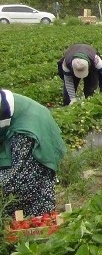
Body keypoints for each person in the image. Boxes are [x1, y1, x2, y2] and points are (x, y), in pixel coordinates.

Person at [0, 88, 67, 217]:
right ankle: (26, 218)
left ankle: (34, 219)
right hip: (15, 121)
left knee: (22, 176)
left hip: (30, 123)